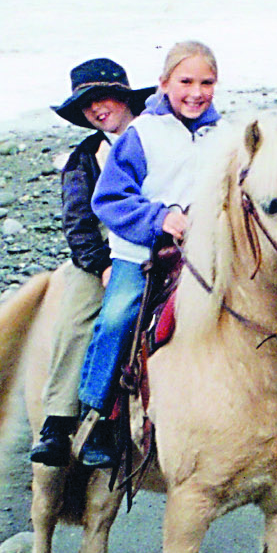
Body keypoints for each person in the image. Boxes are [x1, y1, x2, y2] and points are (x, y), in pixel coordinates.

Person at [77, 41, 224, 469]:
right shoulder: (141, 135)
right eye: (186, 82)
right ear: (163, 85)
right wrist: (160, 218)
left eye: (206, 82)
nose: (196, 92)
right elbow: (109, 198)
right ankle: (99, 415)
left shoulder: (225, 134)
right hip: (142, 253)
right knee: (118, 316)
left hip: (207, 251)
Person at [29, 58, 153, 466]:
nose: (97, 109)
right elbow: (78, 222)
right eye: (87, 104)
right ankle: (62, 421)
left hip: (166, 239)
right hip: (109, 251)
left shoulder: (159, 136)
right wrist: (100, 265)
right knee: (79, 317)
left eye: (103, 98)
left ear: (122, 97)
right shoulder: (83, 158)